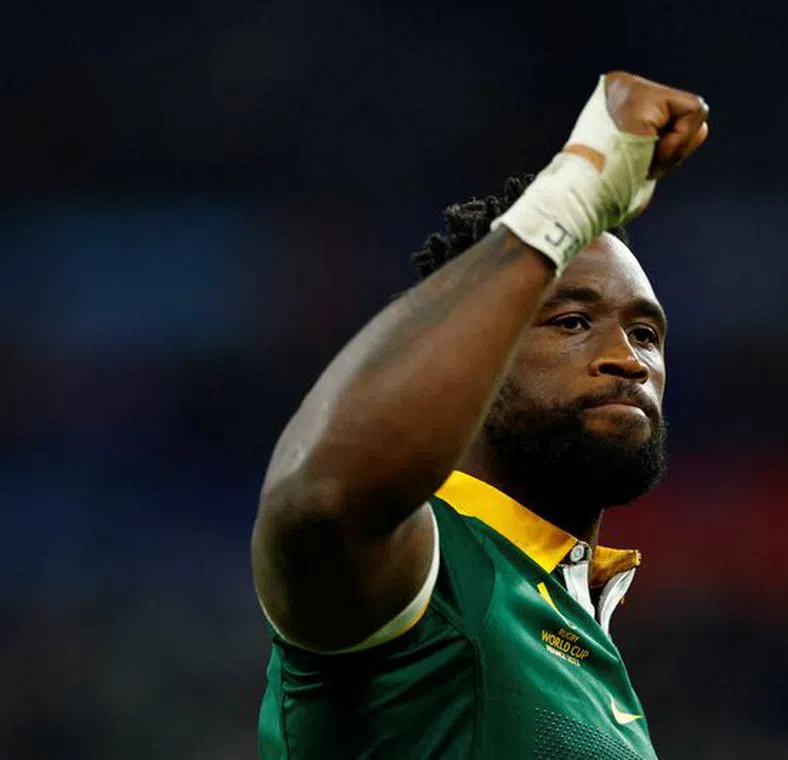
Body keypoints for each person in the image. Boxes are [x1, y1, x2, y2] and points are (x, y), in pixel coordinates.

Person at [251, 70, 710, 759]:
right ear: (473, 359)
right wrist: (570, 195)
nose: (628, 359)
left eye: (646, 334)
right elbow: (319, 500)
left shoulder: (580, 638)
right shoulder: (423, 570)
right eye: (573, 321)